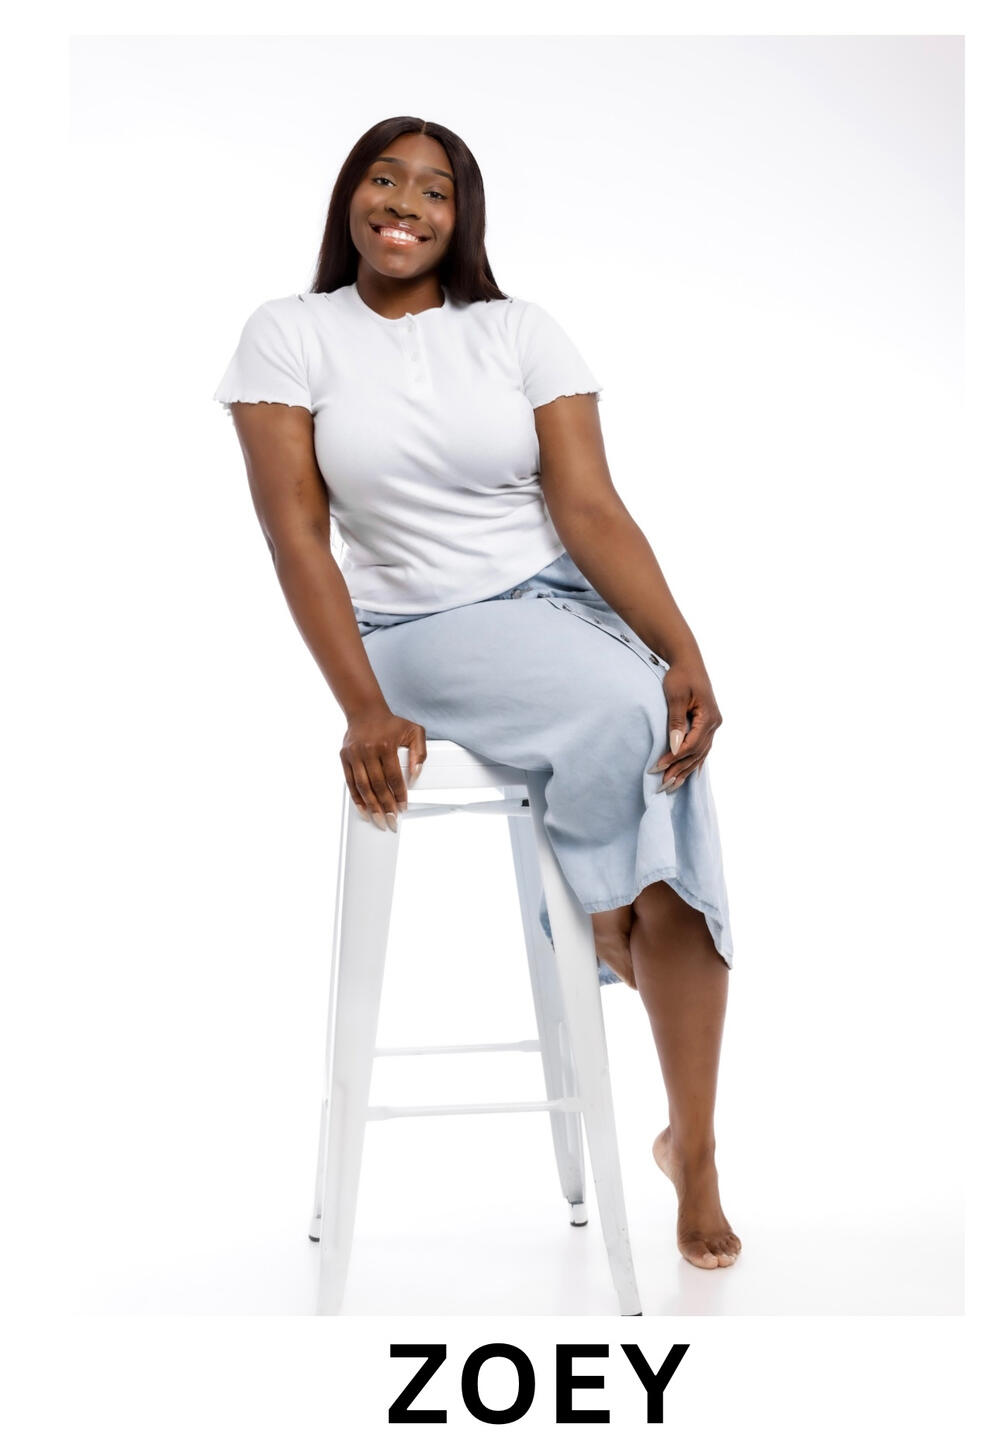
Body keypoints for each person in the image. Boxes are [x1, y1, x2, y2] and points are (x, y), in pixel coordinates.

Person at [212, 117, 741, 1270]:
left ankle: (692, 1146)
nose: (403, 204)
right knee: (631, 725)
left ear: (462, 219)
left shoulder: (517, 331)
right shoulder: (289, 335)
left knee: (668, 740)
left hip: (561, 604)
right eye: (383, 178)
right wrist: (360, 704)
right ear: (350, 196)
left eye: (433, 190)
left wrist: (682, 645)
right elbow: (297, 537)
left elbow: (589, 509)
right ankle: (609, 905)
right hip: (416, 627)